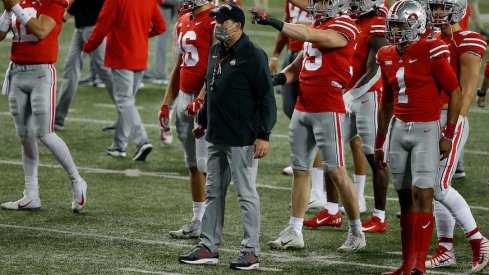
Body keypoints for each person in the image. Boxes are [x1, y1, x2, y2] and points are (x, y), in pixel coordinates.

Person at [250, 0, 366, 252]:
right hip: (304, 107)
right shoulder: (319, 23)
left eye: (325, 1)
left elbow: (310, 34)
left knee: (336, 171)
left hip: (328, 108)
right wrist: (275, 79)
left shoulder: (346, 25)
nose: (318, 5)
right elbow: (297, 67)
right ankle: (295, 230)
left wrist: (273, 21)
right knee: (301, 170)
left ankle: (357, 231)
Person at [178, 4, 276, 270]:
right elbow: (212, 89)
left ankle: (251, 251)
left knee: (245, 194)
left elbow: (266, 98)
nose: (218, 25)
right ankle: (208, 247)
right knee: (213, 192)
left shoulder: (254, 55)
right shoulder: (215, 51)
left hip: (242, 137)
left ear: (238, 25)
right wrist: (203, 122)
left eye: (223, 21)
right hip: (216, 133)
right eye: (217, 21)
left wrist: (263, 134)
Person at [375, 1, 462, 274]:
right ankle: (406, 264)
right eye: (393, 26)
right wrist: (379, 142)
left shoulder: (432, 49)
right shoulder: (385, 54)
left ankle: (419, 267)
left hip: (427, 129)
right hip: (399, 129)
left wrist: (448, 134)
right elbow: (386, 102)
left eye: (401, 25)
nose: (396, 31)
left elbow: (455, 92)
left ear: (416, 24)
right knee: (403, 200)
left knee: (422, 195)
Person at [304, 0, 390, 233]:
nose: (350, 3)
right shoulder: (350, 21)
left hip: (367, 98)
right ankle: (332, 211)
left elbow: (376, 71)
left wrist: (350, 95)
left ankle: (379, 216)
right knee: (332, 151)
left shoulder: (379, 25)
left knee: (375, 157)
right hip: (345, 96)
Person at [0, 0, 87, 212]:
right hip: (17, 73)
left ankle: (77, 180)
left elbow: (41, 30)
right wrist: (7, 10)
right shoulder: (20, 2)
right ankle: (31, 194)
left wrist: (15, 8)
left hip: (41, 74)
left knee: (45, 132)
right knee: (25, 135)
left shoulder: (54, 2)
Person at [423, 0, 489, 272]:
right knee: (434, 186)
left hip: (450, 118)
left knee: (439, 186)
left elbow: (468, 90)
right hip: (427, 117)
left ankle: (480, 242)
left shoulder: (468, 39)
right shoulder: (430, 36)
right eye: (434, 7)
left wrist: (453, 126)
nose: (436, 12)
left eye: (442, 7)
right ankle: (445, 249)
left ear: (458, 9)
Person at [158, 0, 216, 239]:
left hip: (207, 97)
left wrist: (202, 98)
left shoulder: (217, 19)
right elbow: (178, 66)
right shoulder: (183, 20)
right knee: (192, 163)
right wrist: (166, 103)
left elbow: (216, 65)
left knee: (206, 164)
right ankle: (198, 219)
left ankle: (211, 222)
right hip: (184, 96)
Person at [83, 0, 166, 161]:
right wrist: (142, 35)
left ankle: (142, 141)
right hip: (140, 57)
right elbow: (161, 26)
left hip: (121, 57)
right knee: (128, 103)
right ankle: (119, 145)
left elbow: (101, 27)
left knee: (125, 101)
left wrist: (88, 47)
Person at [54, 0, 114, 131]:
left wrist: (66, 14)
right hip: (81, 28)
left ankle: (126, 114)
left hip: (93, 28)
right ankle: (58, 119)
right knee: (70, 72)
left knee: (106, 72)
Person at [146, 0, 179, 85]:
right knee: (161, 36)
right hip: (165, 4)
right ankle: (159, 72)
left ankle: (156, 72)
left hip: (174, 4)